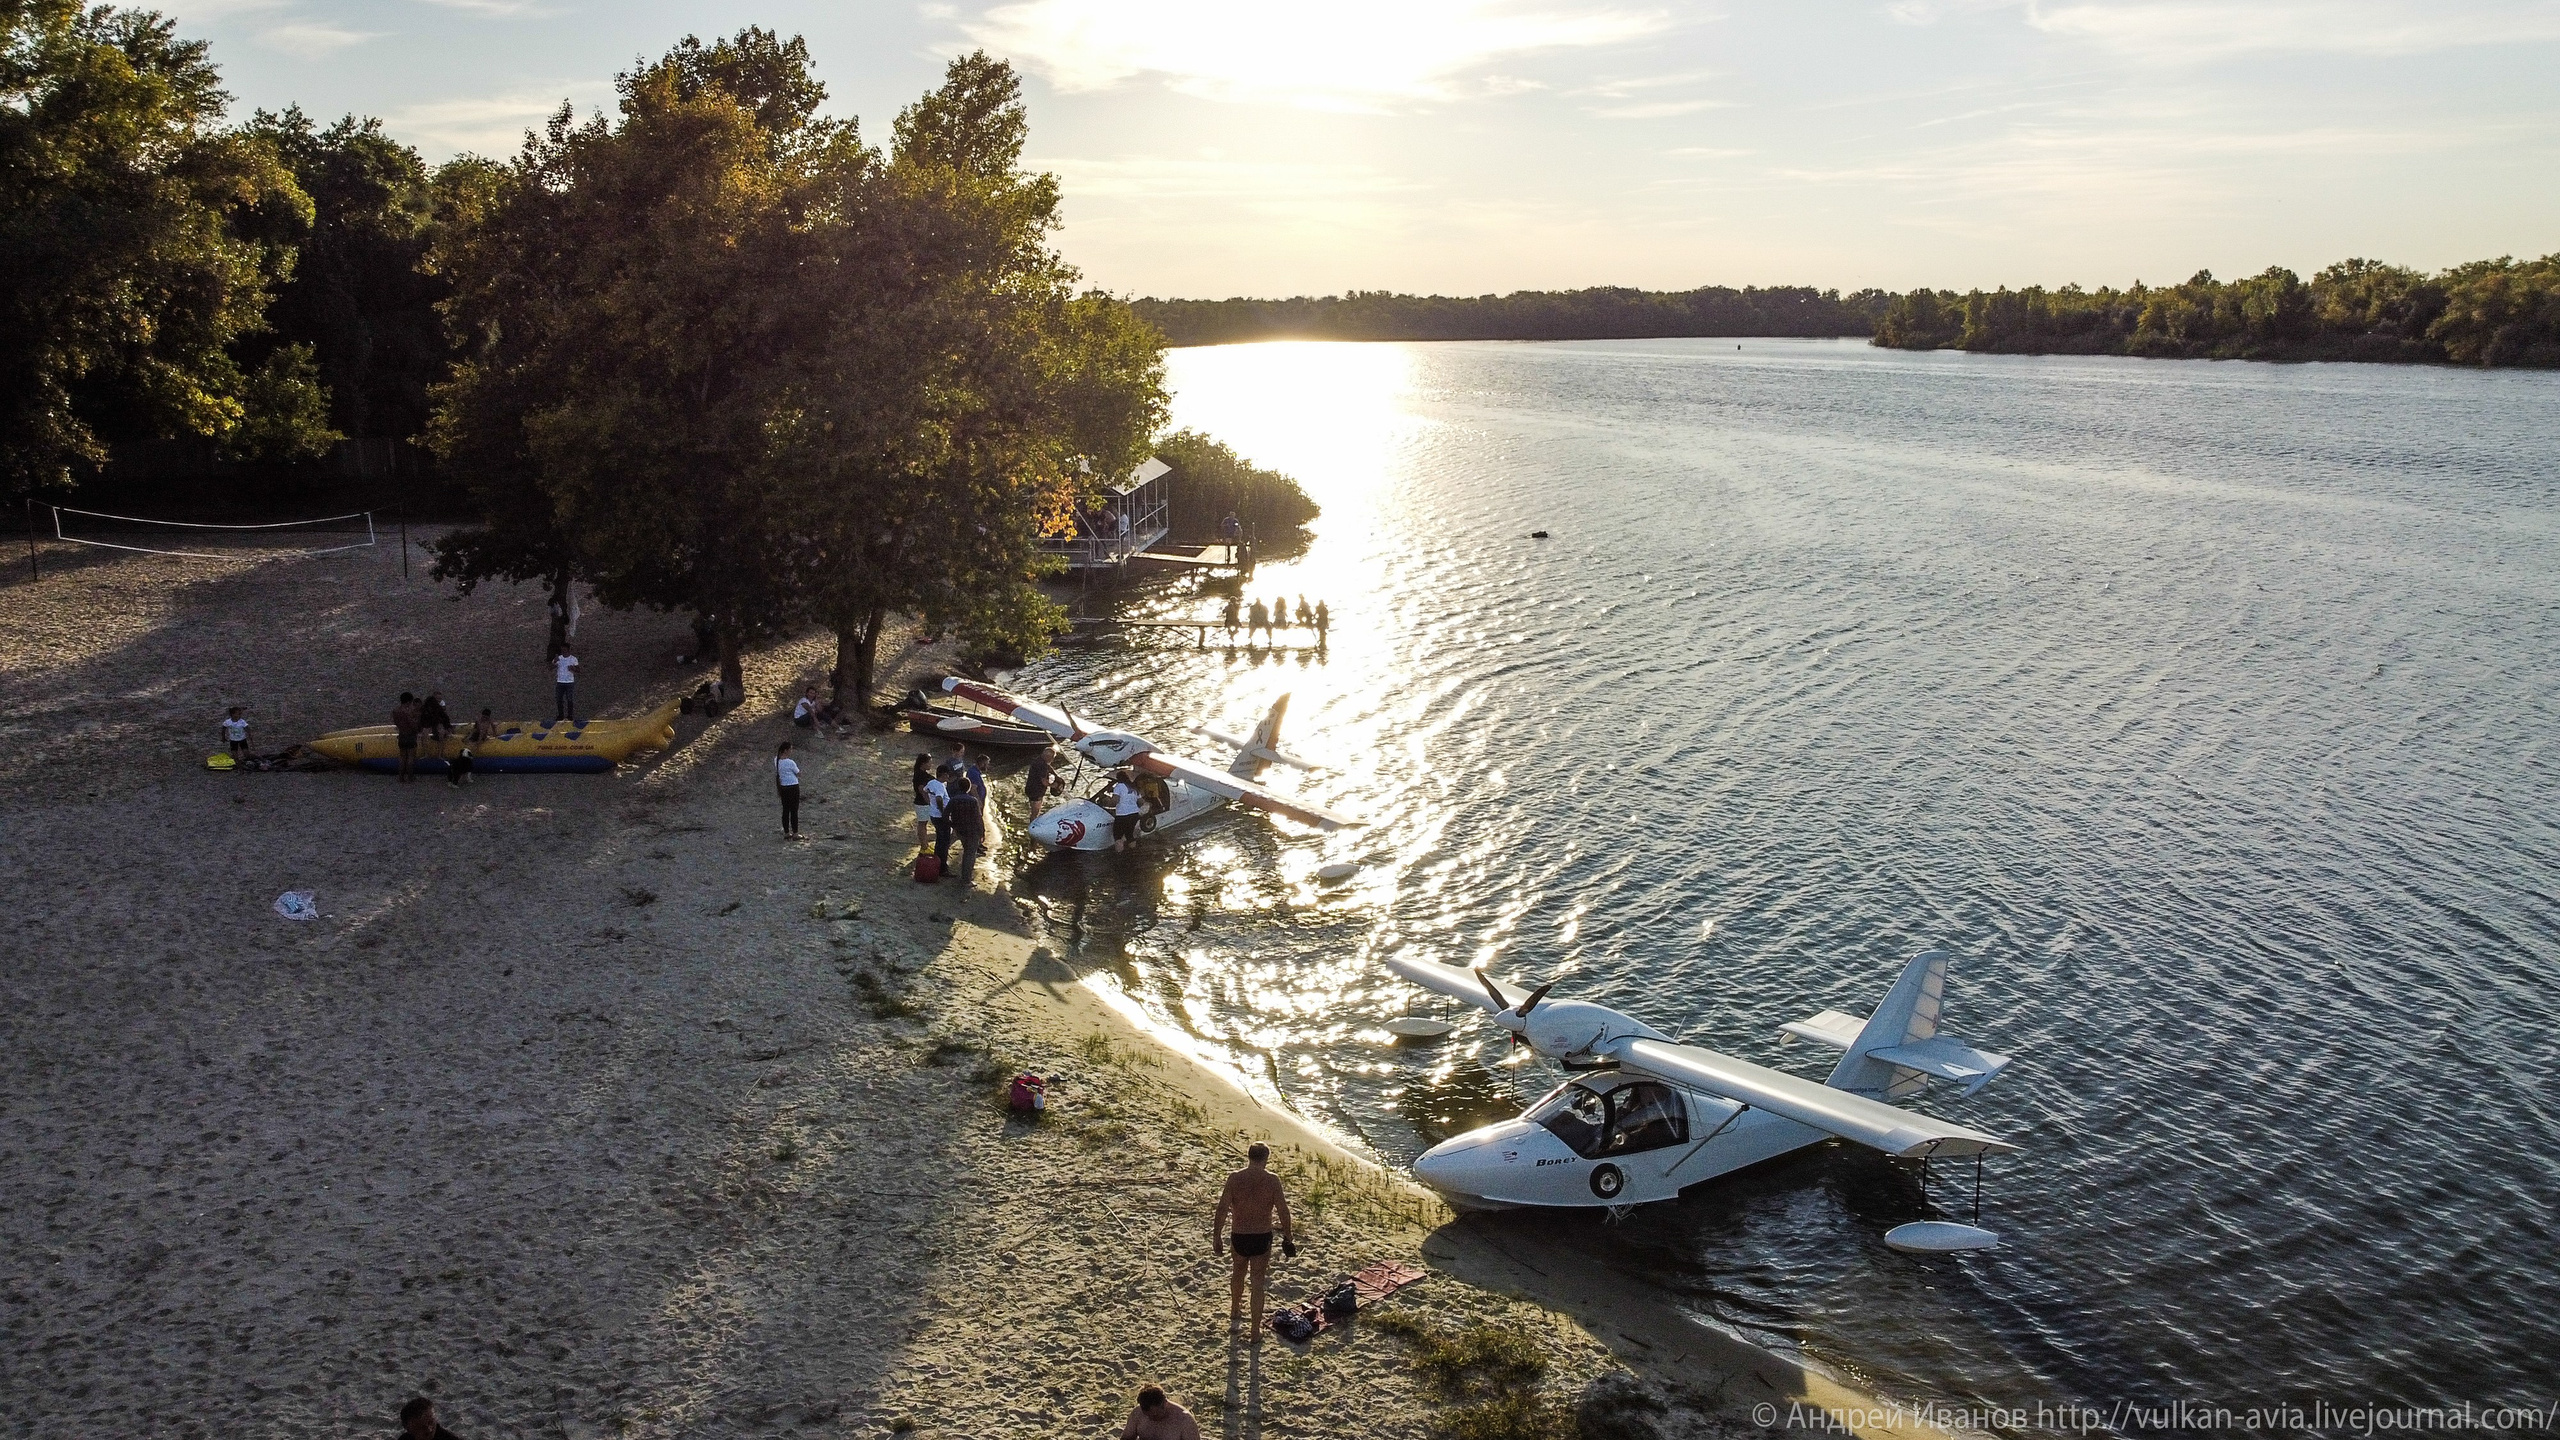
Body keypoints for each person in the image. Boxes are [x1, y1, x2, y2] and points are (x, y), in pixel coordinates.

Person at [1212, 1142, 1296, 1336]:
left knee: (1238, 1272)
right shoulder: (1272, 1180)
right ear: (1266, 1158)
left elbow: (1222, 1208)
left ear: (1249, 1156)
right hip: (1261, 1237)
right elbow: (1283, 1210)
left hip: (1239, 1235)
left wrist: (1217, 1235)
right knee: (1257, 1282)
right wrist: (1288, 1235)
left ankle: (1235, 1309)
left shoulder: (1235, 1178)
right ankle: (1255, 1331)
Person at [1119, 1385, 1202, 1440]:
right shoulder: (1137, 1413)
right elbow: (1126, 1438)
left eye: (1155, 1414)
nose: (1152, 1418)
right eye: (1148, 1415)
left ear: (1164, 1403)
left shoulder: (1184, 1420)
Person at [945, 777, 985, 887]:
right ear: (969, 788)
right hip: (972, 830)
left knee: (966, 851)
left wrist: (953, 825)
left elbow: (945, 815)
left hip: (960, 830)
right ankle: (966, 879)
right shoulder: (973, 801)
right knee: (970, 854)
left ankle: (964, 877)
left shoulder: (953, 800)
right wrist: (982, 832)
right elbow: (978, 818)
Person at [1107, 768, 1144, 852]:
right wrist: (1133, 806)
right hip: (1134, 814)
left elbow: (1115, 801)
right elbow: (1141, 802)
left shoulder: (1119, 786)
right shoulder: (1134, 787)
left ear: (1118, 779)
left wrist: (1106, 802)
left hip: (1122, 815)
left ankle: (1119, 855)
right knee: (1129, 835)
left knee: (1118, 836)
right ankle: (1133, 853)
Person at [925, 763, 954, 869]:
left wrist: (930, 803)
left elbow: (925, 791)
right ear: (944, 774)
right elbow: (939, 798)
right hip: (940, 816)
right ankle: (942, 866)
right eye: (947, 774)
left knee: (939, 839)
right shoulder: (940, 786)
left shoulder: (931, 783)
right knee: (944, 841)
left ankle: (937, 862)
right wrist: (943, 813)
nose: (948, 777)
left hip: (933, 814)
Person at [391, 692, 422, 784]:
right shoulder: (407, 712)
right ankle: (410, 777)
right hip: (410, 735)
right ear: (408, 702)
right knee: (410, 757)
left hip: (402, 734)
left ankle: (400, 777)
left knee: (402, 757)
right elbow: (412, 725)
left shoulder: (395, 711)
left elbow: (396, 723)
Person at [775, 741, 802, 838]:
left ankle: (786, 832)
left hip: (783, 787)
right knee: (794, 810)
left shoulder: (776, 760)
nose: (791, 751)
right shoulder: (790, 762)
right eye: (790, 749)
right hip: (793, 786)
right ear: (786, 750)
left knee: (785, 810)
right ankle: (795, 832)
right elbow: (798, 773)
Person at [911, 753, 935, 850]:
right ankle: (924, 846)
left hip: (922, 802)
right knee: (922, 824)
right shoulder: (920, 775)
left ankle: (925, 845)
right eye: (929, 763)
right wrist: (929, 802)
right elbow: (922, 790)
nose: (931, 765)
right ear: (923, 763)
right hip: (922, 803)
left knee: (923, 824)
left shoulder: (922, 774)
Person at [1026, 745, 1056, 818]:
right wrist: (1053, 785)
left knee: (1033, 808)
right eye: (1052, 758)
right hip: (1037, 792)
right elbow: (1044, 782)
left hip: (1029, 788)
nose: (1052, 760)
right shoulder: (1043, 766)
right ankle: (1033, 823)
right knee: (1035, 812)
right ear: (1048, 757)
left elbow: (1048, 767)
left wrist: (1055, 774)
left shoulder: (1038, 760)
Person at [552, 650, 579, 722]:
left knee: (569, 699)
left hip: (569, 682)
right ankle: (561, 715)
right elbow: (551, 667)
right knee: (559, 699)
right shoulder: (559, 658)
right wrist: (555, 661)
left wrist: (573, 668)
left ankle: (570, 715)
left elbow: (578, 669)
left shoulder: (573, 659)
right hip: (560, 681)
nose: (564, 653)